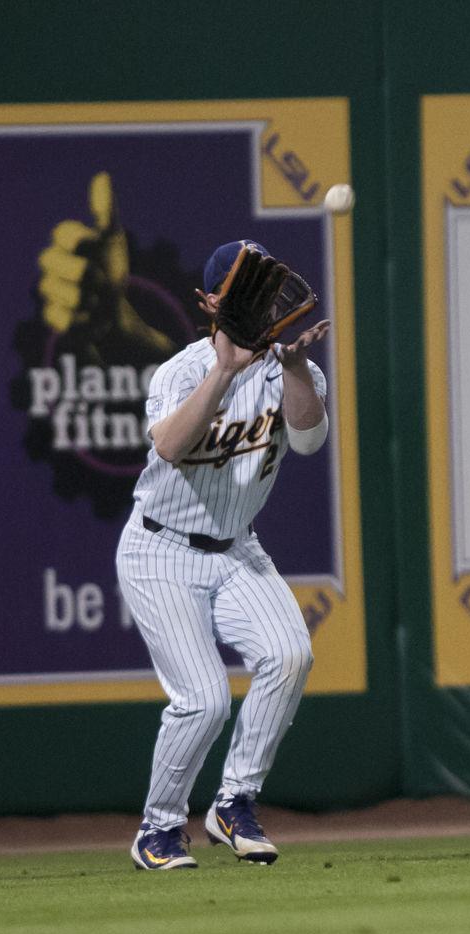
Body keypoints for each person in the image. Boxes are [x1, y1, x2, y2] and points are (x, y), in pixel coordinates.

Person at [116, 239, 329, 870]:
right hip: (160, 549)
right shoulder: (183, 371)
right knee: (204, 699)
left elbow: (312, 441)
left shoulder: (293, 369)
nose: (259, 306)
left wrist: (291, 367)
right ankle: (157, 830)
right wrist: (224, 370)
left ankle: (234, 803)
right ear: (209, 303)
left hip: (238, 550)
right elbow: (171, 447)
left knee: (290, 653)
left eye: (263, 291)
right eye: (242, 294)